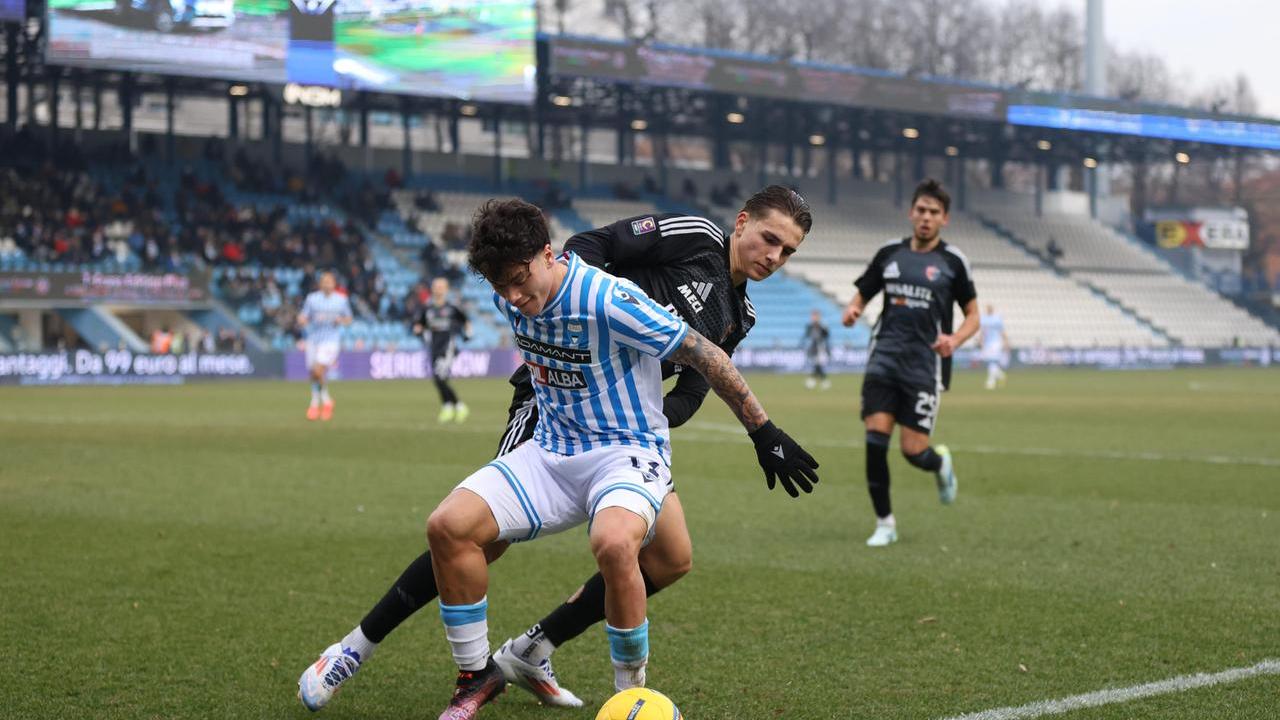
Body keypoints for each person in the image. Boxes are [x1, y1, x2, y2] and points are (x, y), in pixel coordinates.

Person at [297, 188, 816, 712]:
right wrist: (571, 319)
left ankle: (531, 648)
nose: (773, 256)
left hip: (623, 425)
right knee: (477, 539)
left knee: (670, 558)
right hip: (551, 401)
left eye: (788, 251)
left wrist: (652, 414)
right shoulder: (697, 239)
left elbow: (693, 388)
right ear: (744, 223)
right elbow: (594, 242)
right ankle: (355, 648)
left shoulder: (739, 316)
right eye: (770, 239)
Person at [841, 179, 979, 548]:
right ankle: (885, 522)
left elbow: (973, 316)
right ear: (911, 212)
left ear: (944, 219)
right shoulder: (889, 254)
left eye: (934, 212)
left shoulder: (953, 262)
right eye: (921, 210)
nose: (926, 217)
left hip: (924, 367)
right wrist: (854, 309)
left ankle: (939, 464)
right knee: (875, 443)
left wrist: (956, 340)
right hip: (883, 359)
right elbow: (862, 293)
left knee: (913, 451)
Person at [414, 277, 472, 423]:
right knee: (439, 379)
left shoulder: (452, 308)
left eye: (441, 286)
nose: (438, 289)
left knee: (439, 378)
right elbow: (420, 324)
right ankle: (449, 406)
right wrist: (417, 329)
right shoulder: (427, 308)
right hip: (433, 347)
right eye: (436, 286)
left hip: (448, 348)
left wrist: (468, 332)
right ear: (432, 289)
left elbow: (465, 320)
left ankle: (457, 406)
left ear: (446, 289)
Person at [298, 271, 353, 421]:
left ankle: (314, 403)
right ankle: (326, 402)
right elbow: (303, 316)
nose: (327, 284)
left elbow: (349, 319)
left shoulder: (341, 300)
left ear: (334, 284)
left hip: (331, 341)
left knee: (317, 370)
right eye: (324, 282)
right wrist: (302, 320)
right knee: (313, 374)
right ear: (320, 284)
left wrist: (340, 321)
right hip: (313, 339)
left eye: (330, 282)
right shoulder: (312, 299)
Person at [980, 303, 1010, 390]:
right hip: (987, 343)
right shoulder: (983, 319)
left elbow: (1002, 331)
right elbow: (983, 332)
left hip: (996, 342)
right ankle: (1000, 375)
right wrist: (981, 341)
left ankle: (991, 382)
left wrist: (1006, 342)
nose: (989, 309)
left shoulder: (997, 319)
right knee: (990, 362)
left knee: (992, 361)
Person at [802, 309, 831, 390]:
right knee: (817, 365)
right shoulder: (810, 326)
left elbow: (826, 336)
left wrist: (825, 328)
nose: (814, 318)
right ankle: (823, 381)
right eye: (813, 316)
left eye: (816, 316)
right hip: (813, 349)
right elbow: (807, 335)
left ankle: (813, 381)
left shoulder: (822, 326)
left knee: (818, 365)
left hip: (820, 349)